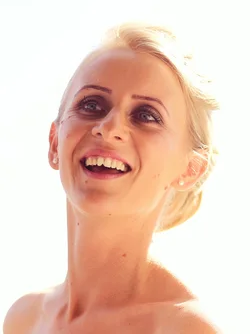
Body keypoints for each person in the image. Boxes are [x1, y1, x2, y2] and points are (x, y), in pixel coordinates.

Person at [3, 23, 220, 333]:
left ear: (190, 169)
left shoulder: (183, 327)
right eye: (91, 105)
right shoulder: (23, 319)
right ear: (54, 143)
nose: (109, 127)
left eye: (146, 115)